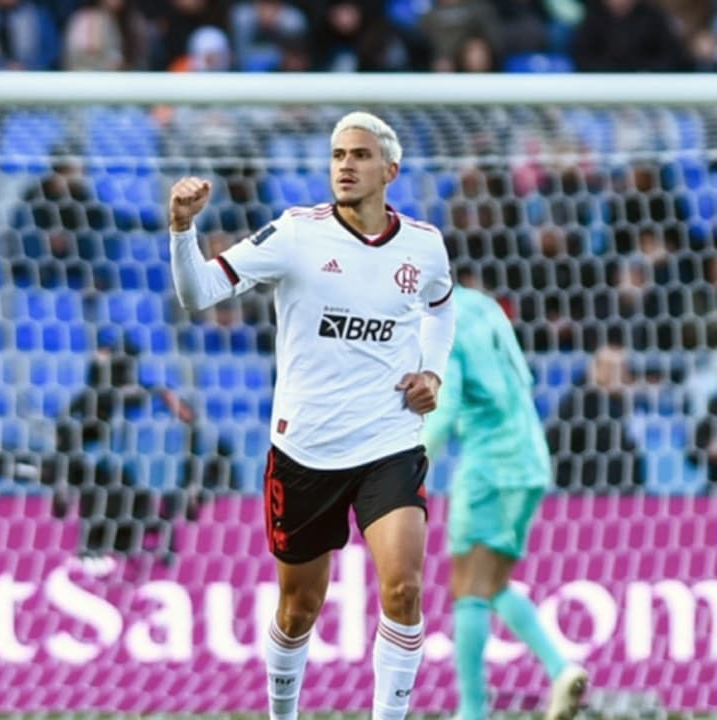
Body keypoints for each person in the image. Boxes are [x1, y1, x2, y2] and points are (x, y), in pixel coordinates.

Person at [168, 111, 454, 720]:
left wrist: (431, 371)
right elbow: (198, 294)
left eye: (358, 155)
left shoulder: (424, 246)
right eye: (337, 155)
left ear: (390, 170)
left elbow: (440, 308)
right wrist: (181, 230)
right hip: (306, 452)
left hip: (389, 442)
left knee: (403, 589)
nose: (344, 165)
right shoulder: (295, 234)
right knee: (298, 610)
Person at [422, 280, 588, 720]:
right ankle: (560, 667)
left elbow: (446, 405)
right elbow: (523, 376)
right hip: (531, 455)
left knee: (468, 587)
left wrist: (409, 466)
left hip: (490, 464)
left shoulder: (436, 323)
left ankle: (472, 712)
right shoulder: (483, 306)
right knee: (492, 583)